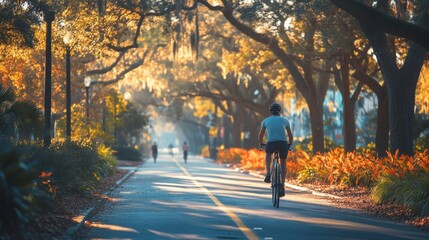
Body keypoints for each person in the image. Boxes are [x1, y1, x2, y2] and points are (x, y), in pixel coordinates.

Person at [258, 102, 293, 197]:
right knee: (283, 163)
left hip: (271, 143)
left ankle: (268, 173)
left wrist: (261, 143)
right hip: (283, 143)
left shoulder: (265, 121)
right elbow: (290, 135)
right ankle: (282, 185)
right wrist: (289, 144)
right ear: (280, 111)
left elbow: (260, 135)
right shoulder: (285, 120)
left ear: (271, 111)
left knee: (268, 153)